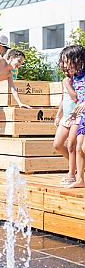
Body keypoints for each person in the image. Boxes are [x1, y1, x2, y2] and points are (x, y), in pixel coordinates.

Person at [60, 45, 85, 188]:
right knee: (79, 147)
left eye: (67, 61)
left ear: (77, 59)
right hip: (82, 116)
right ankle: (80, 179)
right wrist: (75, 112)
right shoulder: (75, 77)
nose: (65, 65)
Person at [53, 75, 77, 186]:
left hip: (77, 116)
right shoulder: (64, 80)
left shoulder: (78, 80)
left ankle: (71, 174)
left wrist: (68, 84)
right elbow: (63, 99)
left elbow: (75, 98)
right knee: (57, 145)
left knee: (71, 146)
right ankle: (76, 165)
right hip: (66, 117)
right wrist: (58, 115)